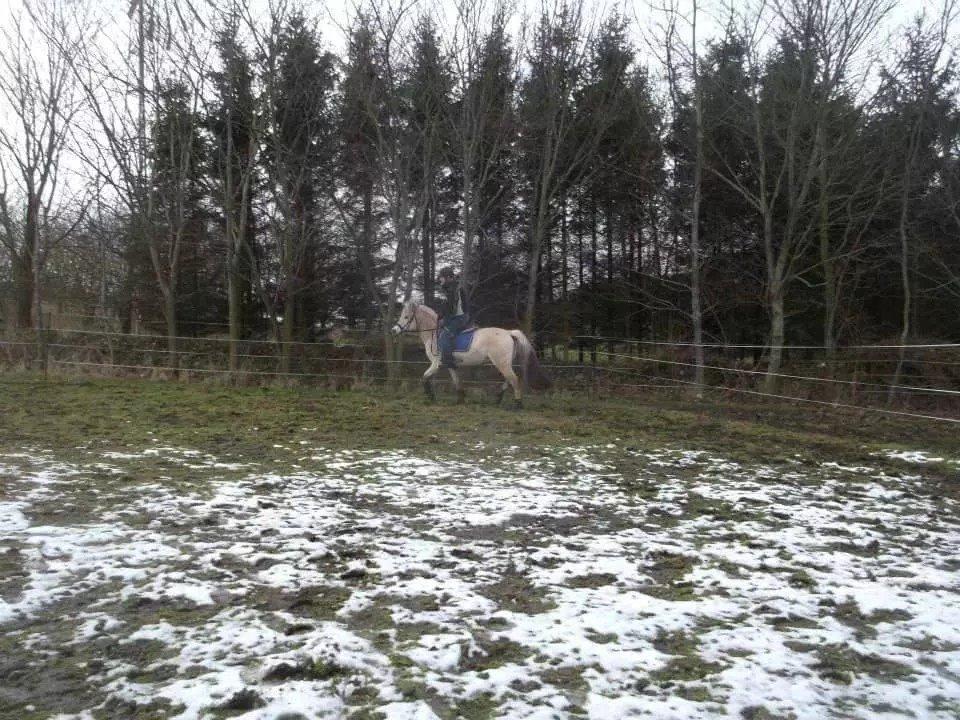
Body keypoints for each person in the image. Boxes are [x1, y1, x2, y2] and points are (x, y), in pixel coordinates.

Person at [436, 266, 470, 368]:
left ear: (448, 278)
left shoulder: (453, 290)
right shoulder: (450, 289)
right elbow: (446, 308)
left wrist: (444, 321)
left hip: (459, 318)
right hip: (457, 317)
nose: (440, 279)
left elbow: (452, 309)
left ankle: (449, 361)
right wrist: (439, 316)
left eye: (441, 277)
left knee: (445, 336)